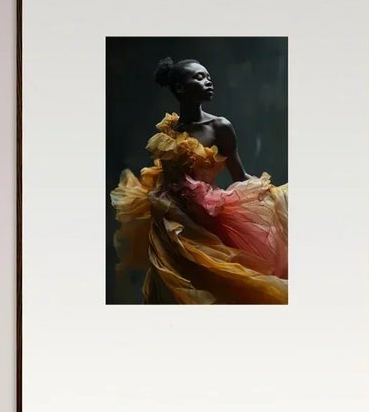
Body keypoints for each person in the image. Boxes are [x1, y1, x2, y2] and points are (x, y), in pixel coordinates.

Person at [110, 56, 288, 305]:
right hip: (169, 219)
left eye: (209, 77)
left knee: (214, 281)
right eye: (199, 77)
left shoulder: (220, 127)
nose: (208, 81)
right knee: (172, 285)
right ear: (180, 88)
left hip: (203, 217)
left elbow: (238, 174)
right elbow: (169, 173)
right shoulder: (169, 130)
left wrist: (273, 193)